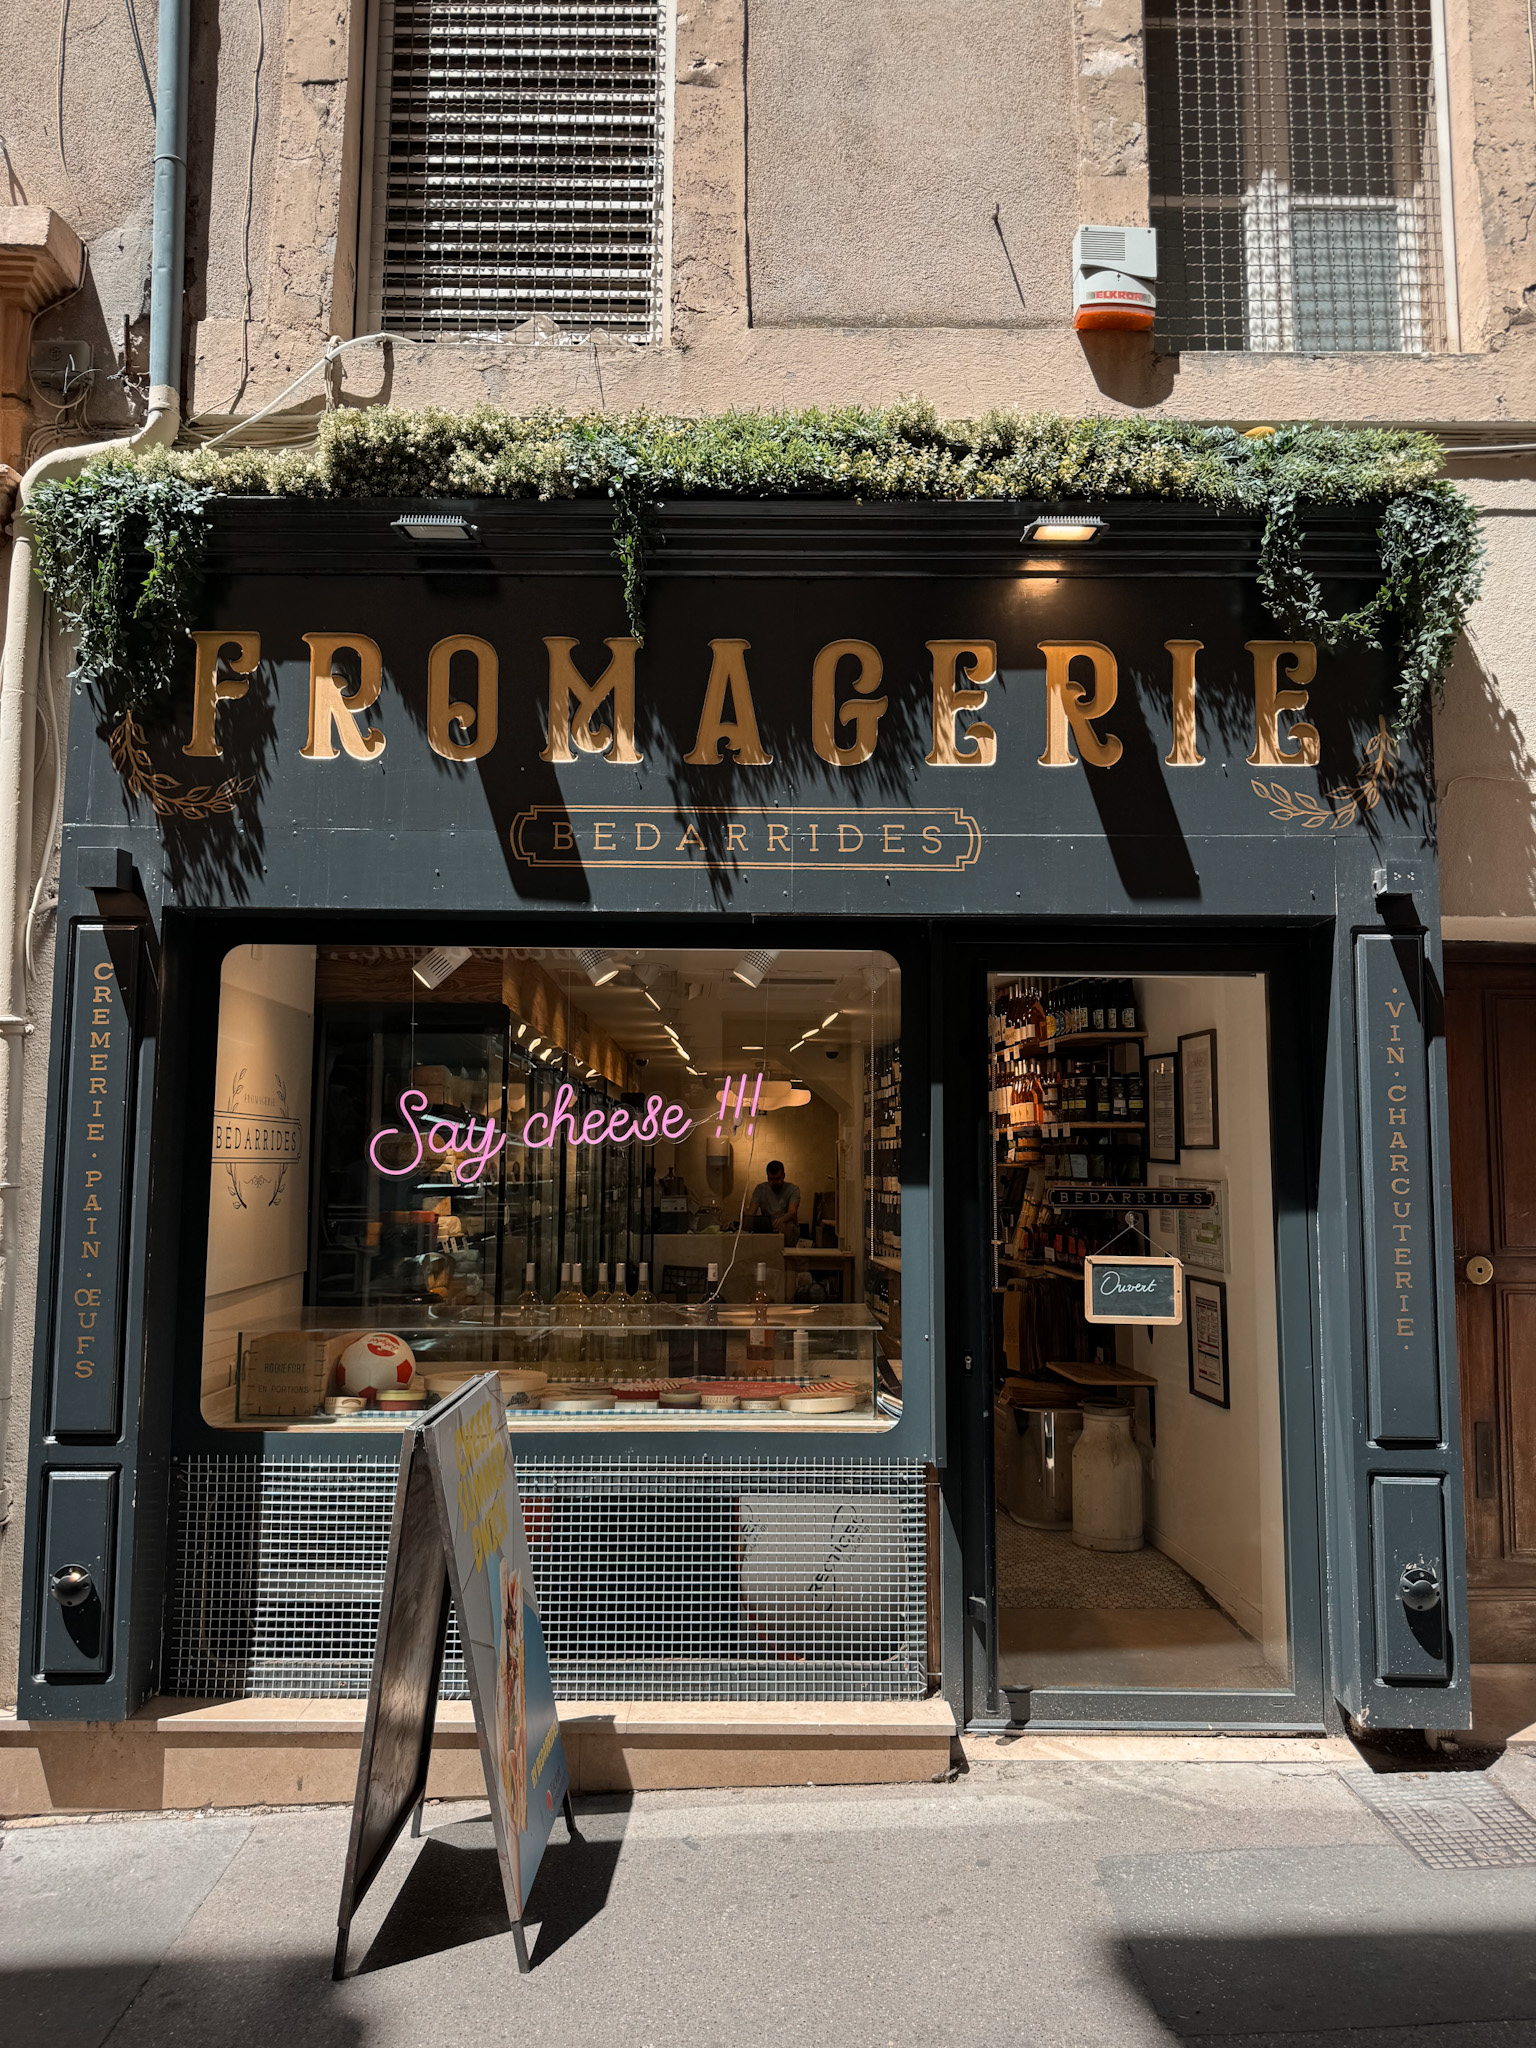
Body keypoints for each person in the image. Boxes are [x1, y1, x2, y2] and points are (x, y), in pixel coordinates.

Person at [746, 1160, 801, 1245]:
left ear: (783, 1176)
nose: (774, 1182)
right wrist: (746, 1218)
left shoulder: (793, 1189)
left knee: (786, 1228)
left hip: (787, 1229)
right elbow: (751, 1211)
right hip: (766, 1230)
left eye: (777, 1179)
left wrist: (781, 1220)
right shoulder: (760, 1189)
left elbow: (792, 1212)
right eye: (771, 1179)